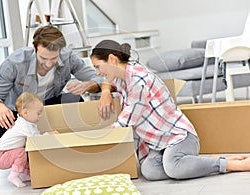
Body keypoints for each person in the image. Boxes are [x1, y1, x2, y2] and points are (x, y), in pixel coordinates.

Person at [90, 39, 250, 181]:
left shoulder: (139, 82)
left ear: (112, 59)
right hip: (160, 144)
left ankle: (231, 164)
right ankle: (198, 162)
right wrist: (105, 91)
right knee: (150, 171)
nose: (98, 72)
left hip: (180, 137)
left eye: (98, 66)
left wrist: (93, 139)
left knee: (173, 167)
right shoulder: (124, 75)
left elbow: (125, 122)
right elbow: (108, 83)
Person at [0, 26, 113, 140]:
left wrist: (92, 86)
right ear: (34, 49)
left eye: (53, 58)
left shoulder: (68, 57)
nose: (48, 64)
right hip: (21, 111)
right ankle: (28, 148)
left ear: (60, 51)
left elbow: (102, 78)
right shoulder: (14, 63)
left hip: (49, 103)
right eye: (43, 58)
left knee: (75, 100)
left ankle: (64, 141)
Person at [0, 92, 57, 187]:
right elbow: (36, 139)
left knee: (25, 151)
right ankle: (13, 176)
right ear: (25, 112)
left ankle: (24, 174)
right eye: (38, 113)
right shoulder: (24, 125)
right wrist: (50, 135)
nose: (40, 116)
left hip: (4, 153)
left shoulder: (26, 123)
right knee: (21, 152)